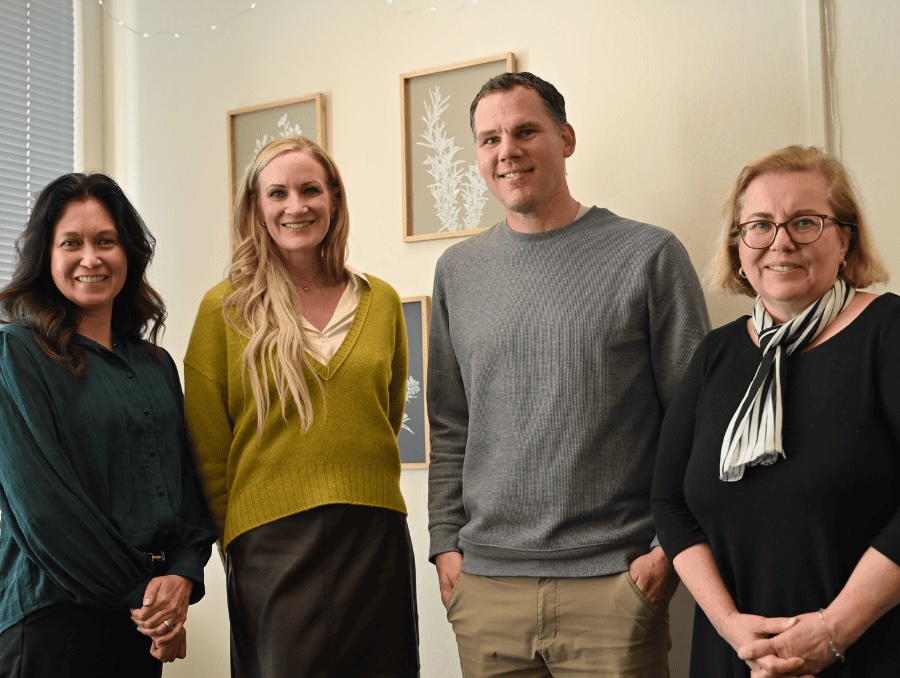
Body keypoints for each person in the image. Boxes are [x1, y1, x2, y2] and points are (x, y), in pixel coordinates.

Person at [427, 71, 710, 676]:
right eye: (489, 139)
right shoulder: (458, 270)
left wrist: (665, 552)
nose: (507, 151)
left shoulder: (649, 255)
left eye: (525, 131)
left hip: (614, 583)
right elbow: (449, 423)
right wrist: (444, 543)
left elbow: (697, 421)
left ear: (566, 138)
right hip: (485, 588)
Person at [652, 145, 900, 677]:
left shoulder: (888, 332)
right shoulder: (716, 353)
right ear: (738, 246)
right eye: (760, 225)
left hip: (865, 654)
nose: (780, 241)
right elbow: (670, 503)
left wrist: (832, 632)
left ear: (845, 239)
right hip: (735, 655)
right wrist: (733, 628)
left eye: (805, 222)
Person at [184, 135, 418, 677]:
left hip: (375, 536)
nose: (296, 206)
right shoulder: (224, 308)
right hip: (270, 546)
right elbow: (207, 448)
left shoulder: (381, 301)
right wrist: (239, 535)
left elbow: (383, 417)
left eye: (310, 190)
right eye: (278, 193)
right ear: (256, 207)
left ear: (333, 198)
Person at [0, 172, 216, 676]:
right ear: (45, 256)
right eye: (71, 243)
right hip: (52, 620)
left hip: (139, 622)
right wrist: (148, 600)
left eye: (105, 241)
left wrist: (182, 577)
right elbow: (42, 510)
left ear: (129, 253)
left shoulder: (157, 365)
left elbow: (188, 490)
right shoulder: (16, 353)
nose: (90, 258)